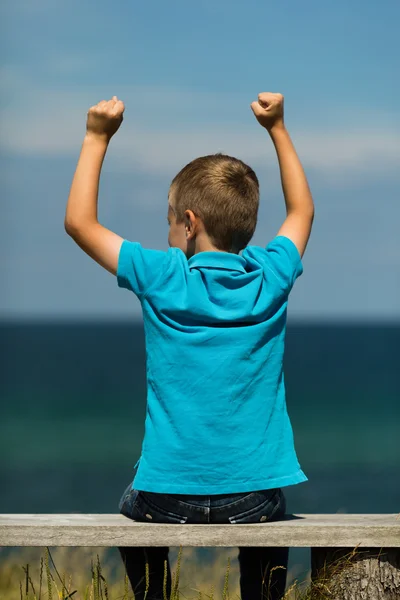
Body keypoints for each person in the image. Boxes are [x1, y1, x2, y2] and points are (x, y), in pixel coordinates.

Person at [65, 91, 314, 600]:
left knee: (129, 506)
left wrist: (96, 136)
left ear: (190, 222)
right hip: (255, 497)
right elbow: (302, 210)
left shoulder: (163, 275)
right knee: (269, 519)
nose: (168, 225)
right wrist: (279, 129)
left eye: (171, 216)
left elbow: (80, 224)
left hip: (164, 496)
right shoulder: (271, 275)